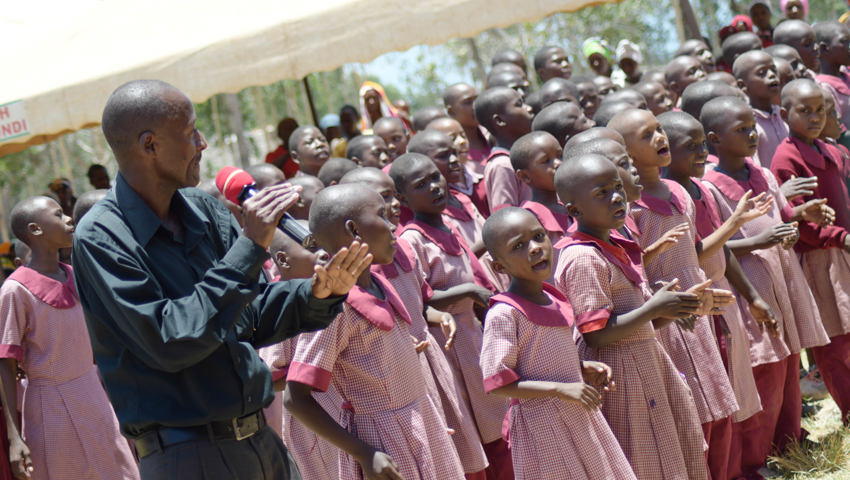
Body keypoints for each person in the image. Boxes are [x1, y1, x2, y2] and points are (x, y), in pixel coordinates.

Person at [72, 79, 371, 479]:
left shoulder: (203, 211)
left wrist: (317, 293)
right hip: (187, 457)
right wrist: (249, 247)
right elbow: (171, 339)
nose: (203, 143)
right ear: (149, 145)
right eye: (190, 131)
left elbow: (249, 317)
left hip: (262, 443)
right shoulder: (102, 237)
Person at [284, 184, 465, 480]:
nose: (393, 225)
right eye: (381, 215)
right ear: (354, 230)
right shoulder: (334, 305)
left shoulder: (378, 282)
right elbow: (296, 398)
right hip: (383, 439)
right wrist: (364, 453)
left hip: (418, 419)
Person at [699, 95, 832, 477]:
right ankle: (755, 459)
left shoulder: (762, 173)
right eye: (740, 130)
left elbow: (778, 213)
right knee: (765, 370)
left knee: (790, 359)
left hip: (781, 276)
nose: (752, 135)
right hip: (748, 286)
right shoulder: (711, 187)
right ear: (716, 139)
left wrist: (793, 219)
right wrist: (759, 241)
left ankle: (790, 440)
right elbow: (717, 246)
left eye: (751, 128)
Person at [554, 153, 708, 479]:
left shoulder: (611, 243)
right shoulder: (583, 257)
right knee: (642, 453)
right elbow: (596, 333)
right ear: (574, 210)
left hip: (643, 356)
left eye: (616, 189)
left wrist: (672, 309)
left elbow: (633, 315)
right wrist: (654, 308)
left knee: (666, 447)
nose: (616, 198)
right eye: (601, 194)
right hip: (619, 368)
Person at [609, 108, 743, 478]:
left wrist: (733, 224)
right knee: (692, 411)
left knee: (717, 400)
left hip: (696, 305)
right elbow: (637, 272)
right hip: (666, 317)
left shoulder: (679, 191)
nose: (659, 137)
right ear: (624, 156)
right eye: (646, 134)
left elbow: (694, 253)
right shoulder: (627, 209)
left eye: (658, 129)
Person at [341, 167, 490, 478]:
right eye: (382, 203)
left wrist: (439, 315)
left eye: (393, 198)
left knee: (457, 445)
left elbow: (421, 304)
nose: (394, 207)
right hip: (399, 374)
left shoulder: (401, 248)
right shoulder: (368, 271)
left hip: (433, 362)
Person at [659, 110, 777, 479]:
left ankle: (745, 465)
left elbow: (722, 250)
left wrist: (753, 296)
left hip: (721, 300)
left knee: (734, 390)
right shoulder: (668, 199)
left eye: (702, 145)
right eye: (689, 146)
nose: (700, 152)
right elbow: (694, 252)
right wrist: (734, 224)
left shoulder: (699, 190)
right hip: (694, 308)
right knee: (713, 400)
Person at [479, 207, 636, 480]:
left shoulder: (552, 298)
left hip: (576, 412)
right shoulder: (504, 313)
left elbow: (543, 358)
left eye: (539, 236)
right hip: (542, 424)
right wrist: (561, 388)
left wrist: (581, 367)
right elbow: (499, 382)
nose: (536, 248)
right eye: (519, 245)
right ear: (499, 266)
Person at [390, 154, 513, 480]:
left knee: (499, 424)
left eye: (435, 177)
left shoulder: (446, 223)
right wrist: (469, 292)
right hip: (452, 340)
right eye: (421, 185)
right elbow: (420, 298)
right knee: (479, 428)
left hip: (474, 334)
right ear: (403, 199)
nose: (434, 187)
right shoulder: (412, 239)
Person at [0, 196, 140, 480]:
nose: (68, 220)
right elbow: (5, 364)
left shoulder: (76, 276)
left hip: (94, 396)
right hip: (49, 407)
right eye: (59, 214)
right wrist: (15, 437)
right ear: (35, 230)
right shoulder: (15, 291)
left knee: (120, 470)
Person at [770, 79, 850, 425]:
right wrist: (837, 236)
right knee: (834, 342)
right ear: (785, 114)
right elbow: (798, 220)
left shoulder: (830, 150)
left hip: (843, 249)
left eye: (821, 110)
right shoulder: (786, 157)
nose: (815, 117)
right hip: (819, 258)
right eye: (805, 111)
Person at [257, 229, 341, 480]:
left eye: (324, 244)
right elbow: (273, 374)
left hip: (336, 407)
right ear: (283, 261)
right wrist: (317, 367)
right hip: (311, 418)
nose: (324, 253)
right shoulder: (284, 304)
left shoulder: (331, 297)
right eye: (312, 247)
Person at [407, 131, 487, 254]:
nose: (454, 159)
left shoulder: (462, 199)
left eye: (454, 153)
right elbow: (460, 262)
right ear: (421, 164)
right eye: (443, 156)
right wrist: (491, 239)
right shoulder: (434, 217)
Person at [509, 132, 569, 280]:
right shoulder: (529, 219)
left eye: (560, 155)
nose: (558, 163)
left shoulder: (571, 207)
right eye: (546, 161)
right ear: (524, 176)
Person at [474, 87, 534, 212]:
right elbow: (506, 218)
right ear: (500, 121)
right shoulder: (502, 165)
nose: (529, 108)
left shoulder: (524, 156)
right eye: (519, 105)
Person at [732, 50, 788, 167]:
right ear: (743, 86)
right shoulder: (747, 124)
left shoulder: (783, 113)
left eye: (773, 70)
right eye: (762, 73)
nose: (772, 75)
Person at [443, 83, 493, 172]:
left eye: (477, 99)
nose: (476, 106)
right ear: (451, 111)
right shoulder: (450, 153)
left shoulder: (494, 135)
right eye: (468, 102)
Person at [814, 21, 850, 129]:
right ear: (824, 48)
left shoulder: (846, 74)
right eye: (844, 42)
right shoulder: (824, 86)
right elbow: (838, 131)